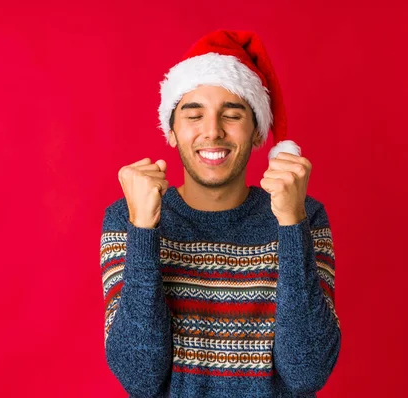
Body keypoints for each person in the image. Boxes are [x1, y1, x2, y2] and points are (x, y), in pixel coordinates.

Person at [99, 30, 341, 398]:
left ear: (257, 130)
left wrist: (292, 224)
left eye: (231, 115)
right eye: (193, 115)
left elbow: (307, 372)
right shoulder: (128, 218)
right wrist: (144, 230)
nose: (212, 132)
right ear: (171, 130)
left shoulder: (305, 215)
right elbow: (139, 376)